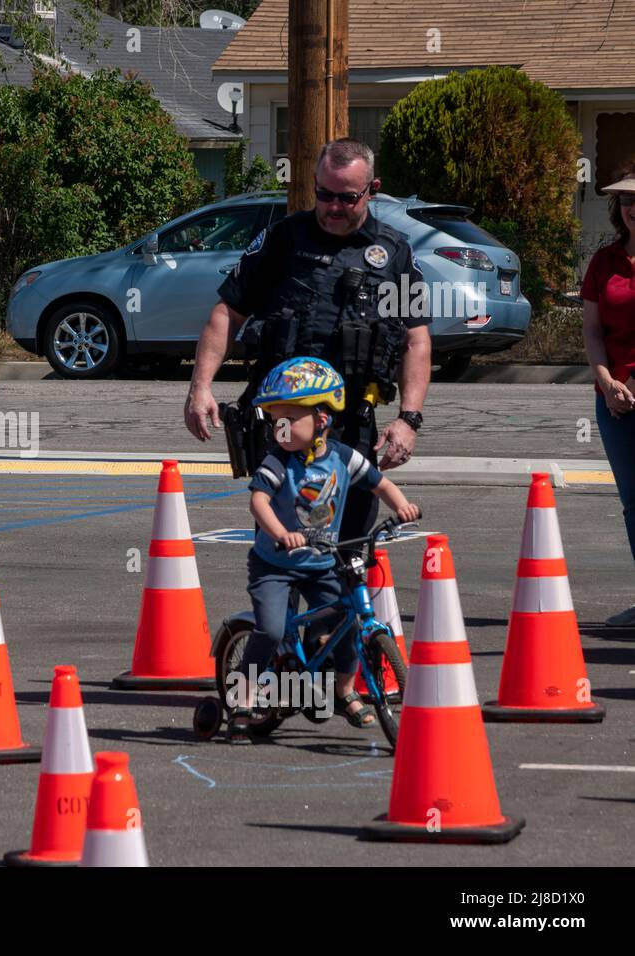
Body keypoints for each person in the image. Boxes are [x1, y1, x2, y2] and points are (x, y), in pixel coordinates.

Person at [185, 138, 432, 544]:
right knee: (284, 547)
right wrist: (201, 387)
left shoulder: (393, 254)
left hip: (353, 424)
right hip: (285, 424)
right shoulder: (283, 240)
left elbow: (415, 340)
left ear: (373, 189)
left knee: (350, 550)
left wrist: (409, 419)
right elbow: (227, 313)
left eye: (347, 198)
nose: (333, 206)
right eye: (324, 194)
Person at [230, 358, 420, 745]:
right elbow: (259, 503)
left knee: (348, 622)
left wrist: (401, 506)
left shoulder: (342, 457)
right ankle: (243, 698)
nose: (278, 428)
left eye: (288, 419)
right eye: (274, 420)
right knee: (271, 628)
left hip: (321, 562)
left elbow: (379, 484)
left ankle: (344, 689)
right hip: (274, 566)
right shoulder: (277, 461)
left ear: (321, 419)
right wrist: (282, 533)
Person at [582, 164, 635, 627]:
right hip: (614, 400)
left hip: (630, 390)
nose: (634, 208)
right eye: (627, 201)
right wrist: (605, 380)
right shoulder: (604, 261)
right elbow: (593, 330)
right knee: (634, 501)